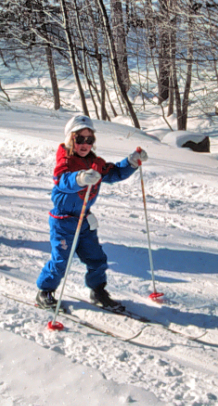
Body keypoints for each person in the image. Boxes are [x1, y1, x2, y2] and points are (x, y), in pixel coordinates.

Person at [35, 115, 148, 311]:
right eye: (80, 139)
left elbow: (113, 173)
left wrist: (131, 162)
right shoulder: (65, 161)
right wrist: (79, 178)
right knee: (61, 260)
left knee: (96, 258)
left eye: (89, 140)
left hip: (84, 220)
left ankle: (97, 290)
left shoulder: (95, 162)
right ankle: (44, 291)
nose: (85, 144)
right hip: (62, 221)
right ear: (71, 140)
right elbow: (62, 180)